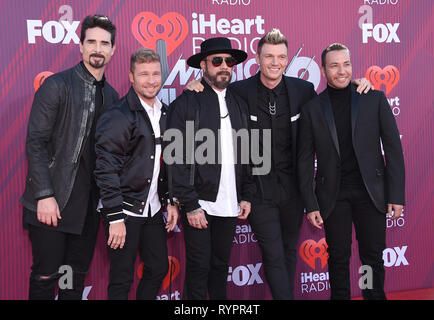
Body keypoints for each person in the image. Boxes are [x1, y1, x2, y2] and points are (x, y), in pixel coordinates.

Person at [184, 29, 372, 299]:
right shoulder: (239, 91)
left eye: (281, 56)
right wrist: (196, 84)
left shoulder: (303, 90)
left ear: (287, 60)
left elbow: (332, 99)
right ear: (258, 59)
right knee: (273, 254)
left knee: (287, 251)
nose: (275, 62)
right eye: (269, 56)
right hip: (258, 189)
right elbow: (212, 94)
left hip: (294, 189)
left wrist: (357, 84)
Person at [20, 14, 119, 300]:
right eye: (91, 42)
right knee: (46, 275)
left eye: (104, 43)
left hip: (86, 211)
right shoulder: (57, 86)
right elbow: (35, 143)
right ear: (80, 46)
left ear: (112, 49)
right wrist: (44, 194)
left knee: (71, 279)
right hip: (53, 203)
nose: (97, 49)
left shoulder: (112, 97)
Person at [297, 43, 405, 300]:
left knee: (371, 258)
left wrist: (396, 195)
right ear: (323, 70)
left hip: (371, 193)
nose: (341, 70)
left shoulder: (373, 98)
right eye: (334, 65)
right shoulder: (313, 109)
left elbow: (393, 148)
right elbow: (303, 160)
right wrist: (310, 204)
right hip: (333, 196)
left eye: (346, 64)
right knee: (338, 259)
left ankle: (373, 297)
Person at [166, 37, 255, 300]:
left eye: (229, 61)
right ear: (203, 65)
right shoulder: (186, 103)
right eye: (217, 61)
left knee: (220, 267)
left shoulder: (238, 103)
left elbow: (248, 152)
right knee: (198, 268)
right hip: (200, 204)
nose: (224, 66)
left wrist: (247, 193)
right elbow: (175, 158)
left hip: (229, 204)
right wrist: (190, 204)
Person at [94, 48, 178, 300]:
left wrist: (172, 200)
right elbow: (105, 167)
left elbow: (168, 162)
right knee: (122, 278)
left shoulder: (165, 112)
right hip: (125, 210)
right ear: (131, 77)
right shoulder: (119, 115)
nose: (151, 80)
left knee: (158, 267)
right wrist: (115, 217)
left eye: (155, 73)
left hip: (152, 208)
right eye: (144, 74)